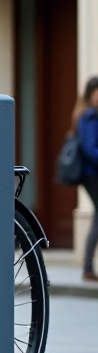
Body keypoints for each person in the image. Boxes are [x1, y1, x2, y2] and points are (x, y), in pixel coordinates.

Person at [73, 76, 98, 281]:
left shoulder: (85, 114)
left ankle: (88, 267)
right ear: (91, 94)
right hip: (93, 174)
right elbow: (90, 149)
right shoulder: (90, 116)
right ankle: (88, 267)